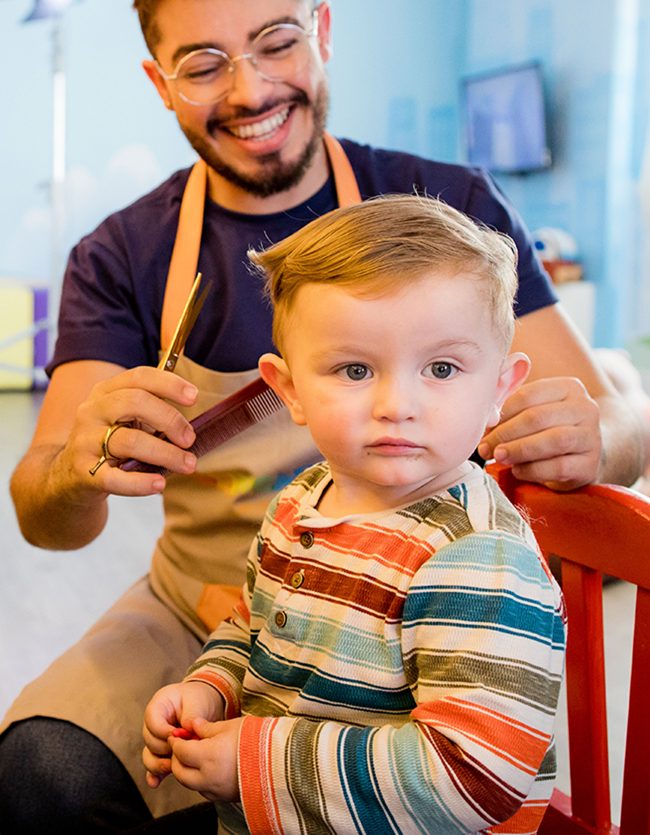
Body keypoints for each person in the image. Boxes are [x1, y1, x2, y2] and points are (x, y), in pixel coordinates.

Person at [0, 0, 640, 829]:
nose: (250, 88)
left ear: (324, 31)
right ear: (159, 83)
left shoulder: (454, 210)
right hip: (218, 603)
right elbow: (46, 515)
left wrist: (601, 430)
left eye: (276, 43)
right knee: (40, 772)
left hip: (415, 619)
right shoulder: (122, 254)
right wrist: (77, 464)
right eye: (202, 64)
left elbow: (621, 419)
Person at [141, 194, 567, 834]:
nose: (397, 404)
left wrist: (255, 764)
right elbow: (252, 627)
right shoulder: (300, 502)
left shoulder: (477, 560)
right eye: (355, 368)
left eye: (442, 368)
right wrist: (210, 690)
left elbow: (470, 780)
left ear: (498, 390)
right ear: (289, 391)